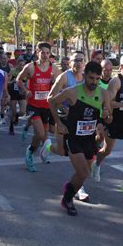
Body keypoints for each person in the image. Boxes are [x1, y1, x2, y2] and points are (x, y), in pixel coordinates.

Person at [48, 61, 112, 216]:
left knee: (84, 174)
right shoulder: (72, 92)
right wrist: (59, 123)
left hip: (90, 139)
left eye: (97, 79)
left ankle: (69, 188)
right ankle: (67, 199)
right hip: (73, 137)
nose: (94, 82)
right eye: (91, 78)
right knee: (83, 173)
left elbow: (109, 118)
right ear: (84, 76)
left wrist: (106, 117)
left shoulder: (103, 94)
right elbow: (51, 101)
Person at [91, 53, 123, 198]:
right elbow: (107, 102)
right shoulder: (116, 82)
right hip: (114, 120)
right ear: (121, 67)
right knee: (107, 151)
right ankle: (96, 164)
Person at [42, 51, 89, 201]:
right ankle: (48, 147)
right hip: (63, 119)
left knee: (80, 153)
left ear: (84, 63)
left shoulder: (87, 78)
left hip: (80, 122)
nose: (78, 63)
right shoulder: (64, 77)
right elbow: (50, 98)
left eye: (81, 60)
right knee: (63, 152)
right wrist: (62, 111)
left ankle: (79, 186)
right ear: (70, 63)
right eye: (75, 60)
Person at [16, 42, 60, 172]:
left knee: (40, 135)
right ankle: (30, 156)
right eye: (43, 52)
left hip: (47, 106)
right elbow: (19, 79)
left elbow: (59, 85)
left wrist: (54, 84)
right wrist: (25, 90)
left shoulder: (54, 69)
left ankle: (32, 151)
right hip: (33, 105)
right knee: (41, 135)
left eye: (47, 53)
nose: (45, 55)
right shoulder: (31, 67)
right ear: (37, 52)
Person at [7, 59, 27, 135]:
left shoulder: (25, 72)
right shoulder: (13, 71)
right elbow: (7, 82)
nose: (22, 66)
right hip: (13, 93)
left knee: (22, 112)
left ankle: (17, 117)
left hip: (21, 93)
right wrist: (13, 81)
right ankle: (11, 126)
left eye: (23, 65)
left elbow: (29, 82)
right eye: (20, 65)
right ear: (17, 64)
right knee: (13, 111)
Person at [0, 53, 14, 124]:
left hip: (10, 86)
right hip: (1, 86)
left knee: (9, 102)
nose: (4, 60)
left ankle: (7, 110)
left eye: (6, 58)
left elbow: (11, 76)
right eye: (3, 58)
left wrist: (8, 80)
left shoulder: (10, 66)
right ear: (0, 59)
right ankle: (2, 117)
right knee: (2, 101)